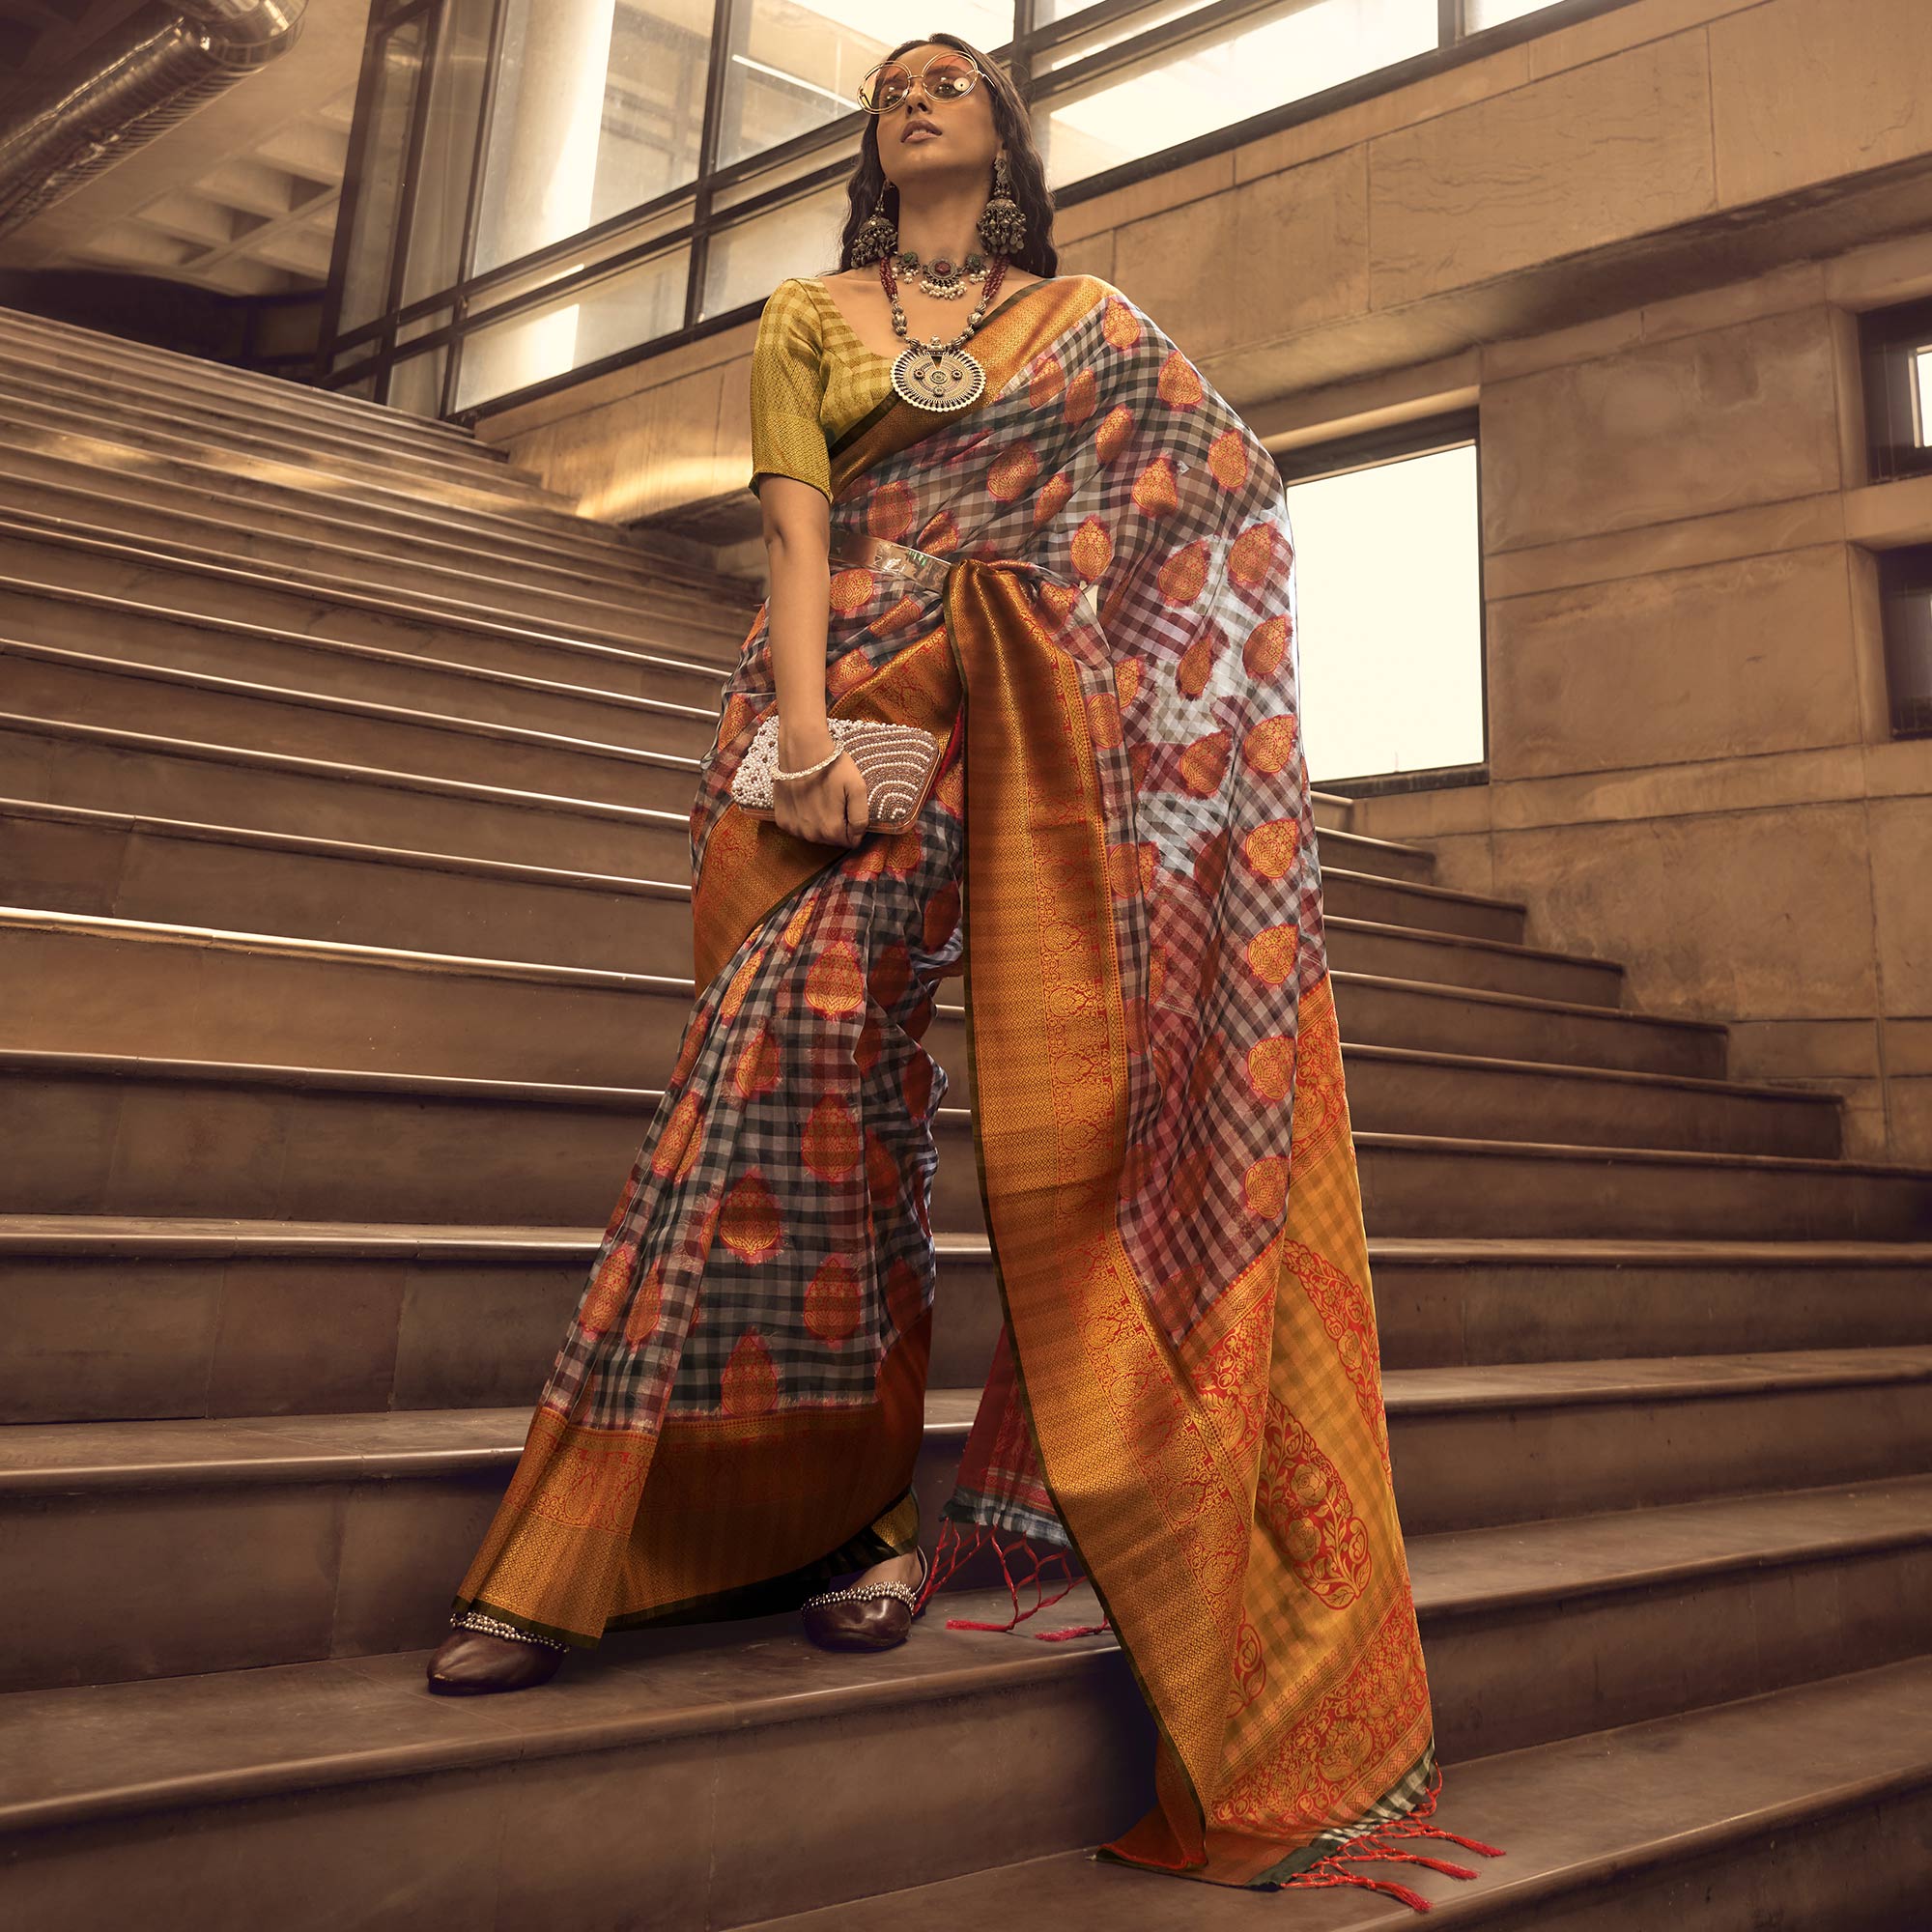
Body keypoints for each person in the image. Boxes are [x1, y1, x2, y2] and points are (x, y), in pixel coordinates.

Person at [423, 31, 1503, 1911]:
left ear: (1002, 129)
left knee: (858, 1097)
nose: (917, 89)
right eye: (893, 78)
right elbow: (794, 524)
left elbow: (1223, 487)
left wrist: (1067, 609)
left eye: (952, 75)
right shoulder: (805, 312)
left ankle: (858, 1521)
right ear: (871, 136)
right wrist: (812, 723)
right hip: (810, 726)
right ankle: (577, 1544)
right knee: (749, 1074)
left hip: (986, 731)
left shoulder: (1080, 321)